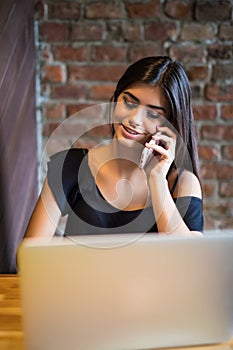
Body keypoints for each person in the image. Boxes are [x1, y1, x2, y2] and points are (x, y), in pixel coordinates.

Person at [25, 56, 203, 238]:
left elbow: (189, 261)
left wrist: (157, 180)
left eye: (152, 114)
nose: (134, 119)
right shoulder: (71, 166)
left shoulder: (182, 184)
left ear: (170, 124)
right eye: (129, 103)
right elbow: (30, 257)